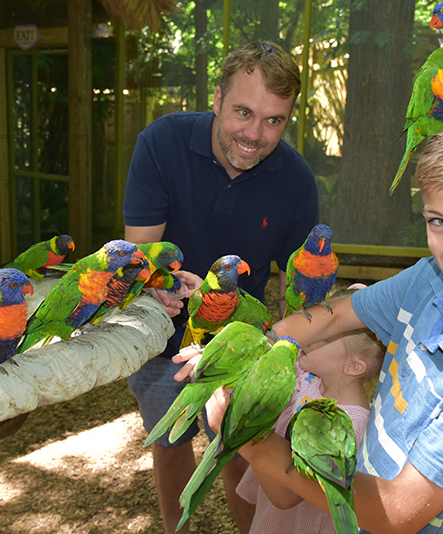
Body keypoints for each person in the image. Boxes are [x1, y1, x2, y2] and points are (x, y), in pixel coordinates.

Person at [198, 113, 443, 534]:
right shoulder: (428, 280)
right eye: (438, 220)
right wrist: (257, 355)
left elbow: (395, 513)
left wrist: (253, 440)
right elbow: (337, 314)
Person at [122, 40, 319, 533]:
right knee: (168, 442)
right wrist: (157, 290)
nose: (255, 134)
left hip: (242, 346)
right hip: (163, 334)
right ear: (217, 98)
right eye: (243, 112)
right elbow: (142, 253)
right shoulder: (162, 143)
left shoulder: (295, 180)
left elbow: (296, 291)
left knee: (240, 449)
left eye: (274, 120)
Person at [238, 319, 385, 533]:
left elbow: (285, 496)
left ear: (353, 366)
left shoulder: (347, 427)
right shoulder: (309, 376)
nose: (307, 337)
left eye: (322, 337)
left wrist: (240, 433)